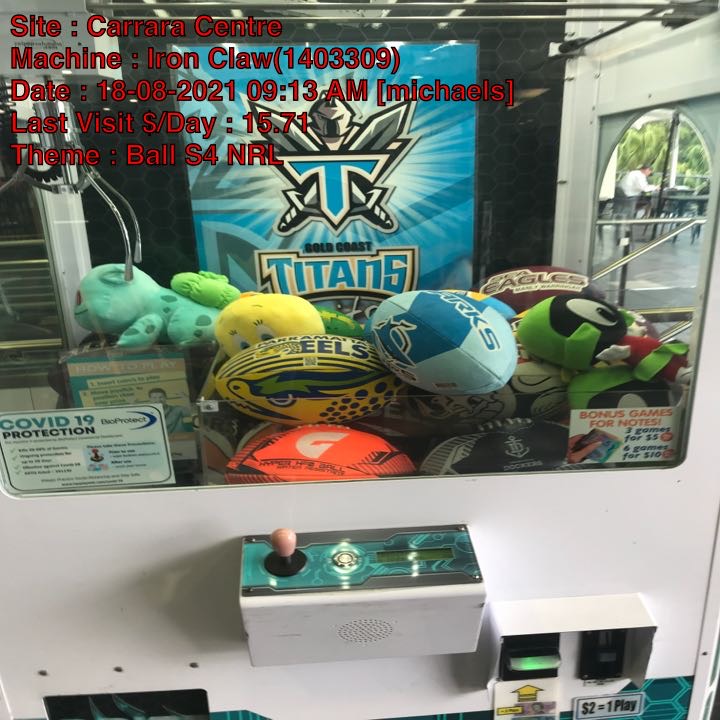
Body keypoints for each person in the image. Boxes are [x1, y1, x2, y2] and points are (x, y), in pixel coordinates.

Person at [614, 165, 658, 242]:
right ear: (647, 170)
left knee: (622, 218)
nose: (649, 174)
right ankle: (626, 237)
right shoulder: (640, 175)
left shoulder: (633, 173)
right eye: (649, 172)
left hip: (621, 196)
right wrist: (655, 187)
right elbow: (644, 188)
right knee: (648, 204)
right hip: (628, 197)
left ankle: (622, 236)